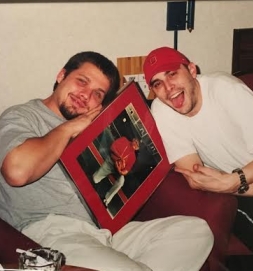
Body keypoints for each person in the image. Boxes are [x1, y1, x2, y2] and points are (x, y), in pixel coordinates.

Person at [0, 51, 214, 271]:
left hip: (106, 232)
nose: (85, 95)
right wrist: (70, 127)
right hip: (53, 234)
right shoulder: (22, 116)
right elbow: (17, 172)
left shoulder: (97, 128)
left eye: (98, 93)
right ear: (61, 75)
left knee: (195, 231)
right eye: (81, 81)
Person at [143, 46, 253, 255]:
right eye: (157, 84)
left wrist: (234, 180)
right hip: (248, 190)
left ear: (192, 70)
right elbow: (197, 178)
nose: (168, 88)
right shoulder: (162, 111)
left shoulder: (225, 89)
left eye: (172, 74)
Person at [93, 136, 139, 206]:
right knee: (94, 179)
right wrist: (119, 158)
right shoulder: (124, 140)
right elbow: (112, 147)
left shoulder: (133, 158)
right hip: (111, 162)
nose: (135, 145)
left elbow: (126, 171)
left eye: (137, 145)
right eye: (136, 142)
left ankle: (106, 200)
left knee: (121, 182)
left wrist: (120, 171)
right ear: (133, 139)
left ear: (138, 148)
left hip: (118, 171)